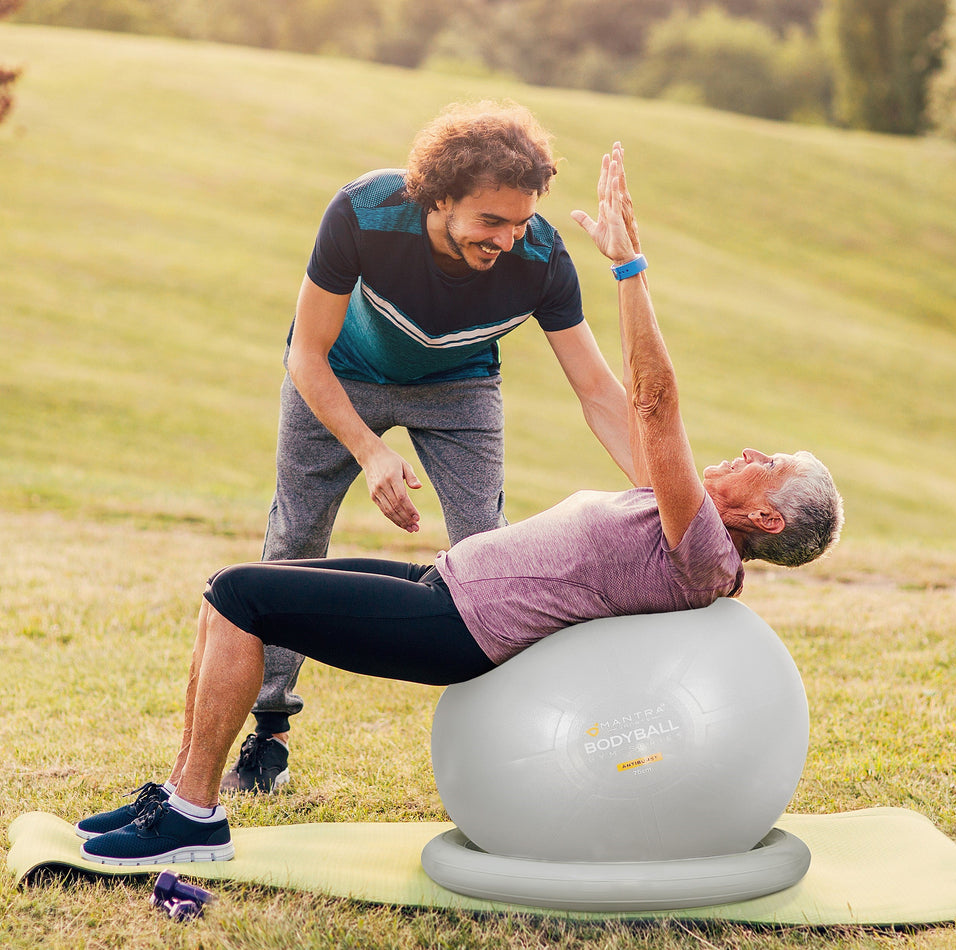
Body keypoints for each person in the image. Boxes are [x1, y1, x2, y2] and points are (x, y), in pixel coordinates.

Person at [76, 145, 843, 865]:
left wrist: (629, 267)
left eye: (768, 465)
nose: (749, 453)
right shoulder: (687, 528)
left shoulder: (703, 544)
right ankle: (177, 796)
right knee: (230, 588)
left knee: (242, 596)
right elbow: (632, 421)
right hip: (447, 586)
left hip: (463, 628)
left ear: (767, 520)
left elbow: (651, 403)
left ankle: (194, 816)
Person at [226, 99, 635, 794]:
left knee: (491, 548)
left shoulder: (539, 259)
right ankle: (269, 734)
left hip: (460, 387)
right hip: (341, 374)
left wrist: (676, 499)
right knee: (295, 538)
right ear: (438, 198)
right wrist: (369, 450)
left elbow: (598, 391)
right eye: (489, 220)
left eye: (521, 220)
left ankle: (519, 732)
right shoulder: (364, 211)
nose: (507, 240)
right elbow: (307, 356)